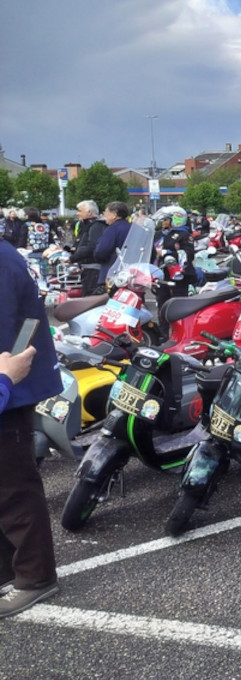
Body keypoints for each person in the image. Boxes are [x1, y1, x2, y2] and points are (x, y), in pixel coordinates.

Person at [0, 237, 64, 618]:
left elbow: (6, 336)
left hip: (10, 389)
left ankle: (35, 577)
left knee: (13, 490)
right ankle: (10, 570)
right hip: (9, 386)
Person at [156, 207, 198, 307]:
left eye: (166, 219)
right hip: (161, 273)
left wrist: (166, 253)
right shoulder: (158, 234)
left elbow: (188, 254)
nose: (163, 222)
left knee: (179, 304)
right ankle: (163, 322)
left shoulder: (184, 235)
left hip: (179, 275)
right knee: (162, 303)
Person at [71, 200, 107, 293]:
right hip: (89, 268)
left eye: (79, 210)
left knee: (91, 298)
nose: (77, 213)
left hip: (93, 269)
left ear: (89, 212)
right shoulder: (89, 225)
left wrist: (73, 258)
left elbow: (91, 246)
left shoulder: (96, 226)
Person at [93, 202, 131, 285]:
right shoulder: (135, 229)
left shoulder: (112, 229)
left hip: (113, 274)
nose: (104, 215)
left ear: (114, 215)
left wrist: (99, 260)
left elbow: (102, 251)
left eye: (106, 212)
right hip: (134, 274)